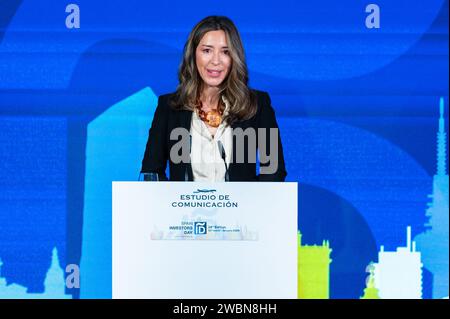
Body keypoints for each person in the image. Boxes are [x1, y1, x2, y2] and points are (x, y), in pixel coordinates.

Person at [141, 16, 287, 182]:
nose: (216, 61)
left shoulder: (258, 104)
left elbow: (274, 170)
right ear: (193, 55)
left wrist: (251, 204)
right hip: (184, 207)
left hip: (242, 206)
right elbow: (151, 172)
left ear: (234, 58)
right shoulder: (169, 107)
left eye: (225, 52)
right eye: (207, 50)